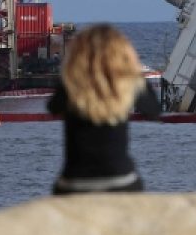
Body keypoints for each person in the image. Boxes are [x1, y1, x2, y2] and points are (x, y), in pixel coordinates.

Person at [47, 24, 160, 195]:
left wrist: (69, 73)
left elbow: (53, 108)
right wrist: (133, 69)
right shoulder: (130, 85)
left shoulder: (71, 85)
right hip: (121, 181)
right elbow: (153, 111)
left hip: (75, 183)